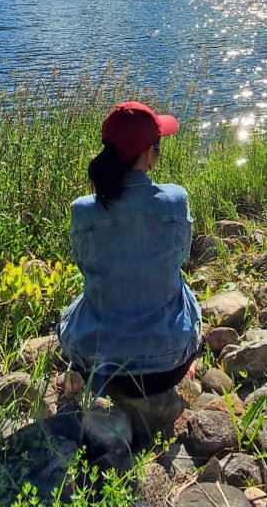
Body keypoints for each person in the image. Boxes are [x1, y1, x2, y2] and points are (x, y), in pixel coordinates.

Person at [57, 100, 202, 398]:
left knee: (78, 305)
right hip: (169, 365)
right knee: (183, 291)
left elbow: (86, 267)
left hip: (99, 369)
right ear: (150, 153)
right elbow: (179, 258)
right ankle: (186, 363)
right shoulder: (175, 201)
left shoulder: (83, 211)